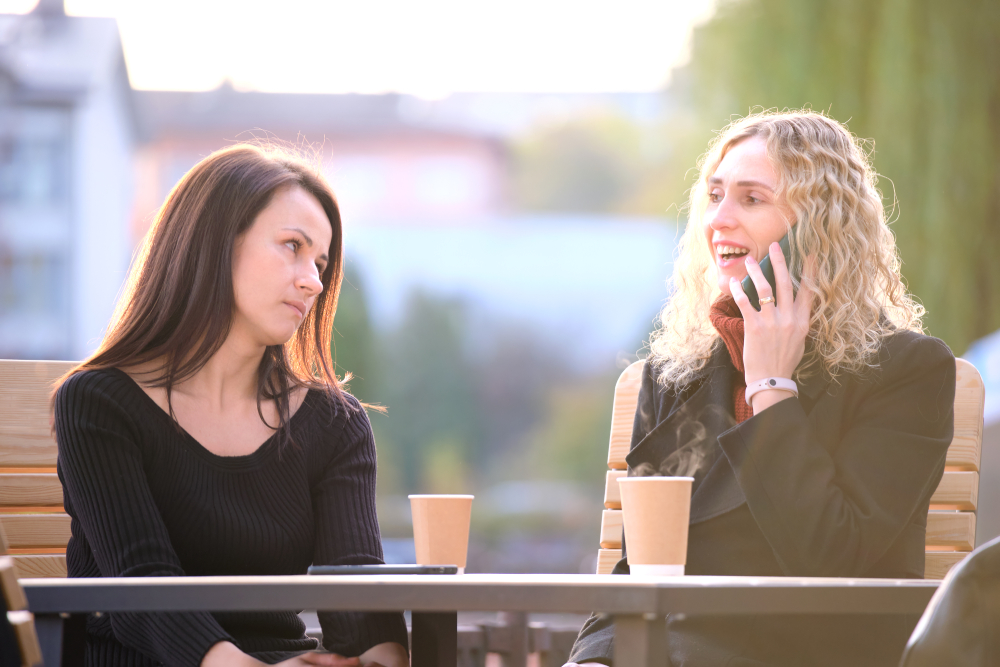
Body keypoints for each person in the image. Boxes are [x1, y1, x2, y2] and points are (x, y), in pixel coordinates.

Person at [566, 110, 956, 667]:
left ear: (818, 228)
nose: (718, 220)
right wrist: (591, 662)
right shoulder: (677, 373)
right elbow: (638, 572)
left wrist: (771, 386)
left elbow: (832, 561)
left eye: (752, 199)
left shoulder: (905, 370)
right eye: (716, 195)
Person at [53, 145, 409, 667]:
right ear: (216, 244)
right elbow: (141, 589)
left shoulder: (335, 423)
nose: (313, 279)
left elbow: (356, 596)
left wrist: (379, 663)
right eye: (293, 246)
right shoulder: (98, 404)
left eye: (321, 262)